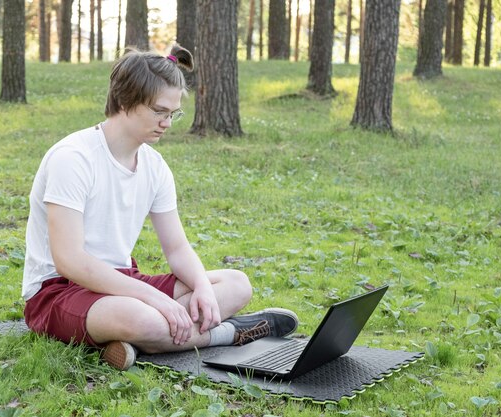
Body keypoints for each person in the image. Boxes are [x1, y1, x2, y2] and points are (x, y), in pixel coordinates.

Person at [21, 45, 298, 370]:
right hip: (59, 291)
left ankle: (132, 343)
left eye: (173, 113)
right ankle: (230, 332)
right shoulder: (73, 158)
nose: (167, 123)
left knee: (236, 285)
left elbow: (177, 248)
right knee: (147, 320)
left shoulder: (154, 165)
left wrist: (204, 289)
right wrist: (154, 299)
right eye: (158, 111)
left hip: (122, 279)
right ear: (125, 101)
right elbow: (70, 261)